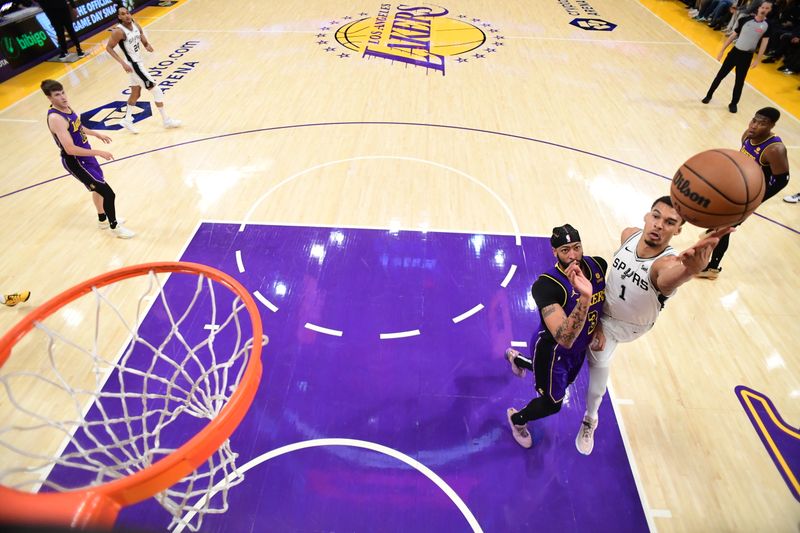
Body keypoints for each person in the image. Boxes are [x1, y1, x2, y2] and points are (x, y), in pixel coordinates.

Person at [574, 197, 733, 455]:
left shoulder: (665, 266)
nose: (659, 225)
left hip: (623, 326)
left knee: (598, 367)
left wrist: (690, 270)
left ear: (678, 230)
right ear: (647, 217)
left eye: (670, 222)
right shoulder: (629, 235)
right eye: (656, 216)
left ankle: (590, 418)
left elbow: (672, 276)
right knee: (564, 333)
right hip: (602, 307)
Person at [504, 224, 607, 448]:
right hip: (553, 353)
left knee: (563, 384)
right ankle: (517, 420)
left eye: (577, 247)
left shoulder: (598, 265)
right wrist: (584, 298)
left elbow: (602, 303)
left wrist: (598, 326)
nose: (572, 256)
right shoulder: (547, 285)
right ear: (554, 252)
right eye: (565, 250)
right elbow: (564, 338)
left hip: (579, 351)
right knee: (552, 402)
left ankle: (517, 359)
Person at [697, 106, 789, 279]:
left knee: (725, 229)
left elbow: (782, 180)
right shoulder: (748, 134)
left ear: (771, 126)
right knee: (718, 219)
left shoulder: (775, 149)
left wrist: (757, 199)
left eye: (762, 123)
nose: (754, 125)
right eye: (754, 120)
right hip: (738, 186)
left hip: (751, 195)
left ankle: (712, 268)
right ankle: (713, 231)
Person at [41, 79, 135, 239]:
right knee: (108, 193)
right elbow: (70, 149)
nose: (63, 97)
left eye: (63, 92)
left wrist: (96, 133)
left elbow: (77, 126)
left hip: (86, 155)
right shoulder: (56, 118)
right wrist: (99, 152)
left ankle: (102, 220)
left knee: (98, 188)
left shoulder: (66, 108)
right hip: (76, 161)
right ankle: (115, 227)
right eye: (57, 95)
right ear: (49, 98)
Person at [105, 6, 181, 133]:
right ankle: (166, 120)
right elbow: (109, 48)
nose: (127, 16)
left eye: (128, 13)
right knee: (157, 91)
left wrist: (146, 44)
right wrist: (123, 63)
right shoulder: (118, 31)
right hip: (133, 65)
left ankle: (127, 120)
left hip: (139, 62)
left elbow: (140, 34)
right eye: (123, 14)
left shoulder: (135, 25)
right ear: (119, 17)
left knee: (136, 94)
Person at [702, 0, 773, 113]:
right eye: (763, 7)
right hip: (734, 53)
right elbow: (732, 36)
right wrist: (722, 50)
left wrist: (757, 59)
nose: (764, 10)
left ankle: (733, 103)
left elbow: (764, 43)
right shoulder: (745, 20)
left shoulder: (767, 25)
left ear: (770, 10)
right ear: (758, 8)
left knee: (739, 82)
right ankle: (709, 95)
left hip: (746, 57)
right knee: (720, 75)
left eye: (767, 8)